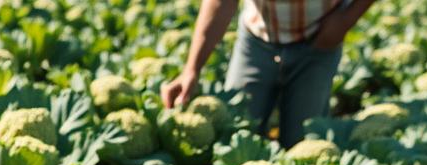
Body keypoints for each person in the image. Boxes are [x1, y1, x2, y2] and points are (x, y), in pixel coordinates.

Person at [161, 0, 376, 147]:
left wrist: (345, 21)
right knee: (237, 132)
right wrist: (192, 69)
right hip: (257, 38)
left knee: (302, 143)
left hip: (319, 41)